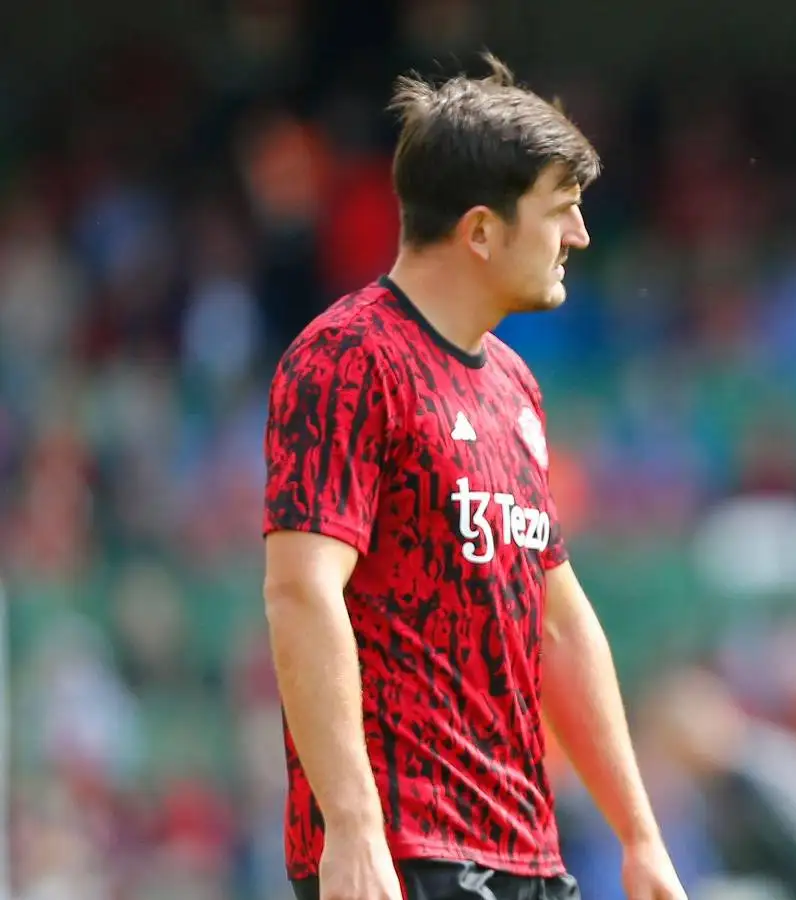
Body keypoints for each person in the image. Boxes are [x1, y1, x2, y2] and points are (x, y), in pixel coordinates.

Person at [261, 54, 687, 900]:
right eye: (560, 212)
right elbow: (302, 591)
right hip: (401, 852)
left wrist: (640, 837)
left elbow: (560, 621)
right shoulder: (348, 358)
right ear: (483, 230)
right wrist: (351, 826)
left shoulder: (514, 385)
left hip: (525, 850)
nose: (580, 236)